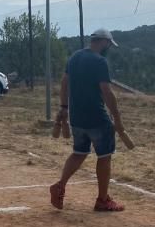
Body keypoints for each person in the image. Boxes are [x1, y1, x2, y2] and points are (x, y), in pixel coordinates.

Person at [50, 28, 126, 212]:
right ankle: (102, 200)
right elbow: (107, 92)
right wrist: (116, 117)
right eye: (109, 44)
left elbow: (64, 83)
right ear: (104, 42)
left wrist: (64, 107)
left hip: (77, 116)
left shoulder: (74, 57)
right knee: (104, 156)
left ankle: (60, 185)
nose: (109, 48)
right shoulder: (100, 61)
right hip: (97, 116)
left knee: (79, 152)